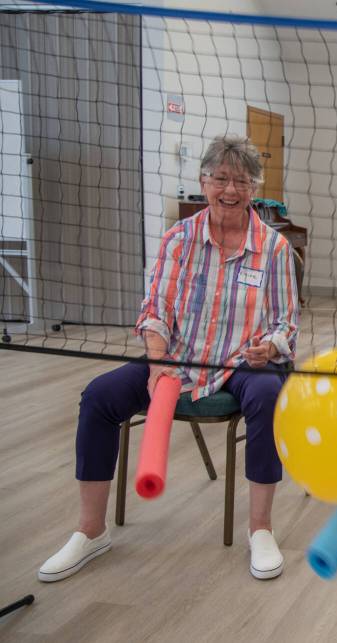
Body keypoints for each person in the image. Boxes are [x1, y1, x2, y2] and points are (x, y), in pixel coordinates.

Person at [38, 135, 299, 583]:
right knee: (99, 396)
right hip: (178, 359)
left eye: (240, 181)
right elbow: (155, 311)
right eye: (220, 179)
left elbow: (286, 321)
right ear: (204, 181)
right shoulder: (179, 238)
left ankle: (260, 530)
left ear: (254, 188)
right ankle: (90, 531)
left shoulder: (274, 248)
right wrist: (157, 363)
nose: (230, 191)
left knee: (269, 395)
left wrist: (271, 346)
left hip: (241, 362)